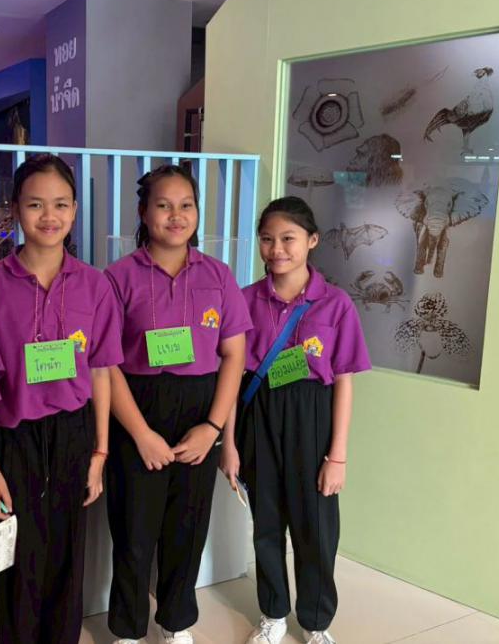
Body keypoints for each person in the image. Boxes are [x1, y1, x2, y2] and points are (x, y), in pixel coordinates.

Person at [0, 154, 123, 644]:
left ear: (74, 210)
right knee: (18, 562)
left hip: (74, 434)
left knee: (68, 560)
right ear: (15, 209)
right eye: (35, 204)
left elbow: (101, 371)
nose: (49, 216)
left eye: (60, 204)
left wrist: (100, 453)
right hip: (13, 440)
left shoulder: (95, 285)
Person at [104, 165, 251, 644]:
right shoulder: (118, 277)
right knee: (133, 530)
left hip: (199, 408)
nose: (176, 215)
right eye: (163, 205)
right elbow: (106, 364)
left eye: (186, 205)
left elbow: (234, 356)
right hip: (136, 408)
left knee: (186, 529)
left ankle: (175, 623)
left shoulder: (218, 275)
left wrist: (213, 427)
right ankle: (128, 629)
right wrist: (140, 433)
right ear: (143, 212)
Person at [222, 197, 371, 644]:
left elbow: (344, 381)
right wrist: (229, 444)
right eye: (267, 239)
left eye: (288, 238)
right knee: (267, 524)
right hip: (259, 416)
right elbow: (231, 377)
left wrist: (337, 456)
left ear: (312, 241)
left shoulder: (336, 304)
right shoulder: (244, 300)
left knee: (316, 529)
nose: (277, 249)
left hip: (313, 420)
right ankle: (273, 613)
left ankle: (317, 620)